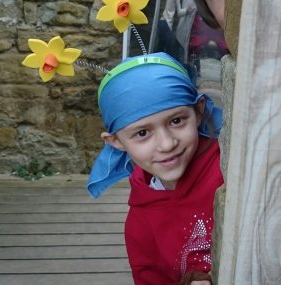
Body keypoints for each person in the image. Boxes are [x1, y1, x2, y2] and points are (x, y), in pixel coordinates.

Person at [87, 52, 224, 285]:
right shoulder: (140, 226)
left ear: (199, 111)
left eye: (177, 120)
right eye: (142, 133)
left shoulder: (226, 170)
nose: (167, 144)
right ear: (116, 142)